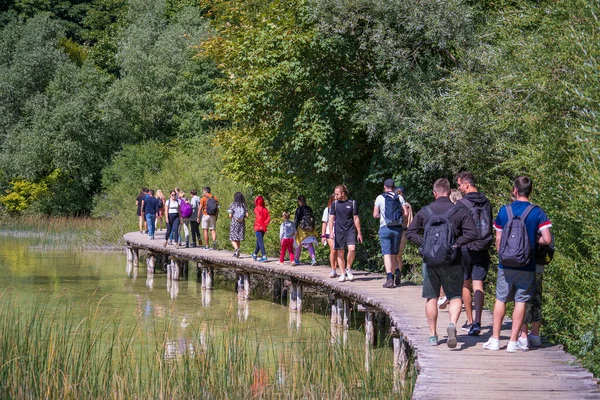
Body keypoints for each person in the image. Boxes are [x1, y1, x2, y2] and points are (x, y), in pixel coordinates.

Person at [406, 178, 477, 348]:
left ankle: (432, 335)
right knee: (455, 296)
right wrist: (456, 243)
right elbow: (472, 233)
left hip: (430, 261)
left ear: (434, 193)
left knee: (431, 297)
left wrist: (424, 243)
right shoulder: (458, 210)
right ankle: (452, 323)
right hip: (453, 260)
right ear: (449, 192)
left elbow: (410, 232)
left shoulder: (425, 211)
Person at [483, 176, 552, 352]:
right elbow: (547, 239)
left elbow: (498, 239)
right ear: (530, 190)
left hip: (506, 264)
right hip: (527, 264)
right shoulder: (537, 212)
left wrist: (504, 256)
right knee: (521, 301)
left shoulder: (504, 211)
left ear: (515, 190)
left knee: (501, 299)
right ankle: (513, 342)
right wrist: (532, 238)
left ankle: (496, 339)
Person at [456, 171, 493, 337]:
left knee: (466, 284)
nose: (459, 188)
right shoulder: (487, 202)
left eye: (459, 185)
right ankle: (478, 321)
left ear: (466, 184)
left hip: (465, 248)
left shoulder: (461, 204)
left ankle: (470, 322)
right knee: (479, 285)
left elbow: (455, 227)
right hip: (483, 247)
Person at [373, 179, 408, 288]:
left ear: (385, 187)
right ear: (394, 187)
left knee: (386, 253)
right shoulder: (400, 197)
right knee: (394, 254)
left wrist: (382, 217)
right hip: (397, 229)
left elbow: (375, 214)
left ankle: (389, 278)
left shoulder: (380, 198)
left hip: (385, 227)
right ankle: (394, 274)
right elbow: (405, 213)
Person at [328, 184, 363, 282]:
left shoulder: (352, 203)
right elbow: (331, 218)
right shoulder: (335, 204)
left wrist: (359, 232)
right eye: (335, 193)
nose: (335, 195)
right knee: (340, 252)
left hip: (350, 230)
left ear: (343, 193)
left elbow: (356, 218)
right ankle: (342, 273)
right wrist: (331, 232)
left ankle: (348, 269)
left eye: (337, 193)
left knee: (352, 249)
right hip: (339, 230)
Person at [293, 195, 318, 266]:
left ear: (299, 201)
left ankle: (297, 259)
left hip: (301, 229)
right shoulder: (309, 208)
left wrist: (294, 229)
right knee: (310, 244)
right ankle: (313, 259)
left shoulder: (299, 209)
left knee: (299, 243)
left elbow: (296, 220)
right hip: (310, 229)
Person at [395, 187, 413, 285]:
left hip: (394, 229)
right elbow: (410, 220)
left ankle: (394, 272)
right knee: (399, 254)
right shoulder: (408, 206)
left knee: (393, 253)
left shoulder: (393, 204)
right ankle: (399, 273)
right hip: (404, 231)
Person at [321, 194, 338, 278]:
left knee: (338, 251)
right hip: (329, 232)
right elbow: (324, 223)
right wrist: (323, 235)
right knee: (333, 249)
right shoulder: (327, 210)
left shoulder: (340, 209)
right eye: (334, 200)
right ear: (331, 200)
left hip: (339, 232)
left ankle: (336, 268)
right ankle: (333, 269)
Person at [228, 192, 249, 258]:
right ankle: (236, 253)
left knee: (232, 238)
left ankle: (237, 250)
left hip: (235, 222)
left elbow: (230, 215)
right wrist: (242, 218)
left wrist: (234, 218)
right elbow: (247, 215)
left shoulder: (233, 204)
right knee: (238, 238)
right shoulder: (244, 205)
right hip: (242, 222)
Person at [252, 196, 271, 262]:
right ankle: (254, 254)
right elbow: (268, 219)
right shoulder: (265, 209)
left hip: (258, 227)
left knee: (260, 242)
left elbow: (259, 218)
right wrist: (265, 225)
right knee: (258, 242)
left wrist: (262, 226)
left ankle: (264, 256)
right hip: (263, 228)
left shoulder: (256, 209)